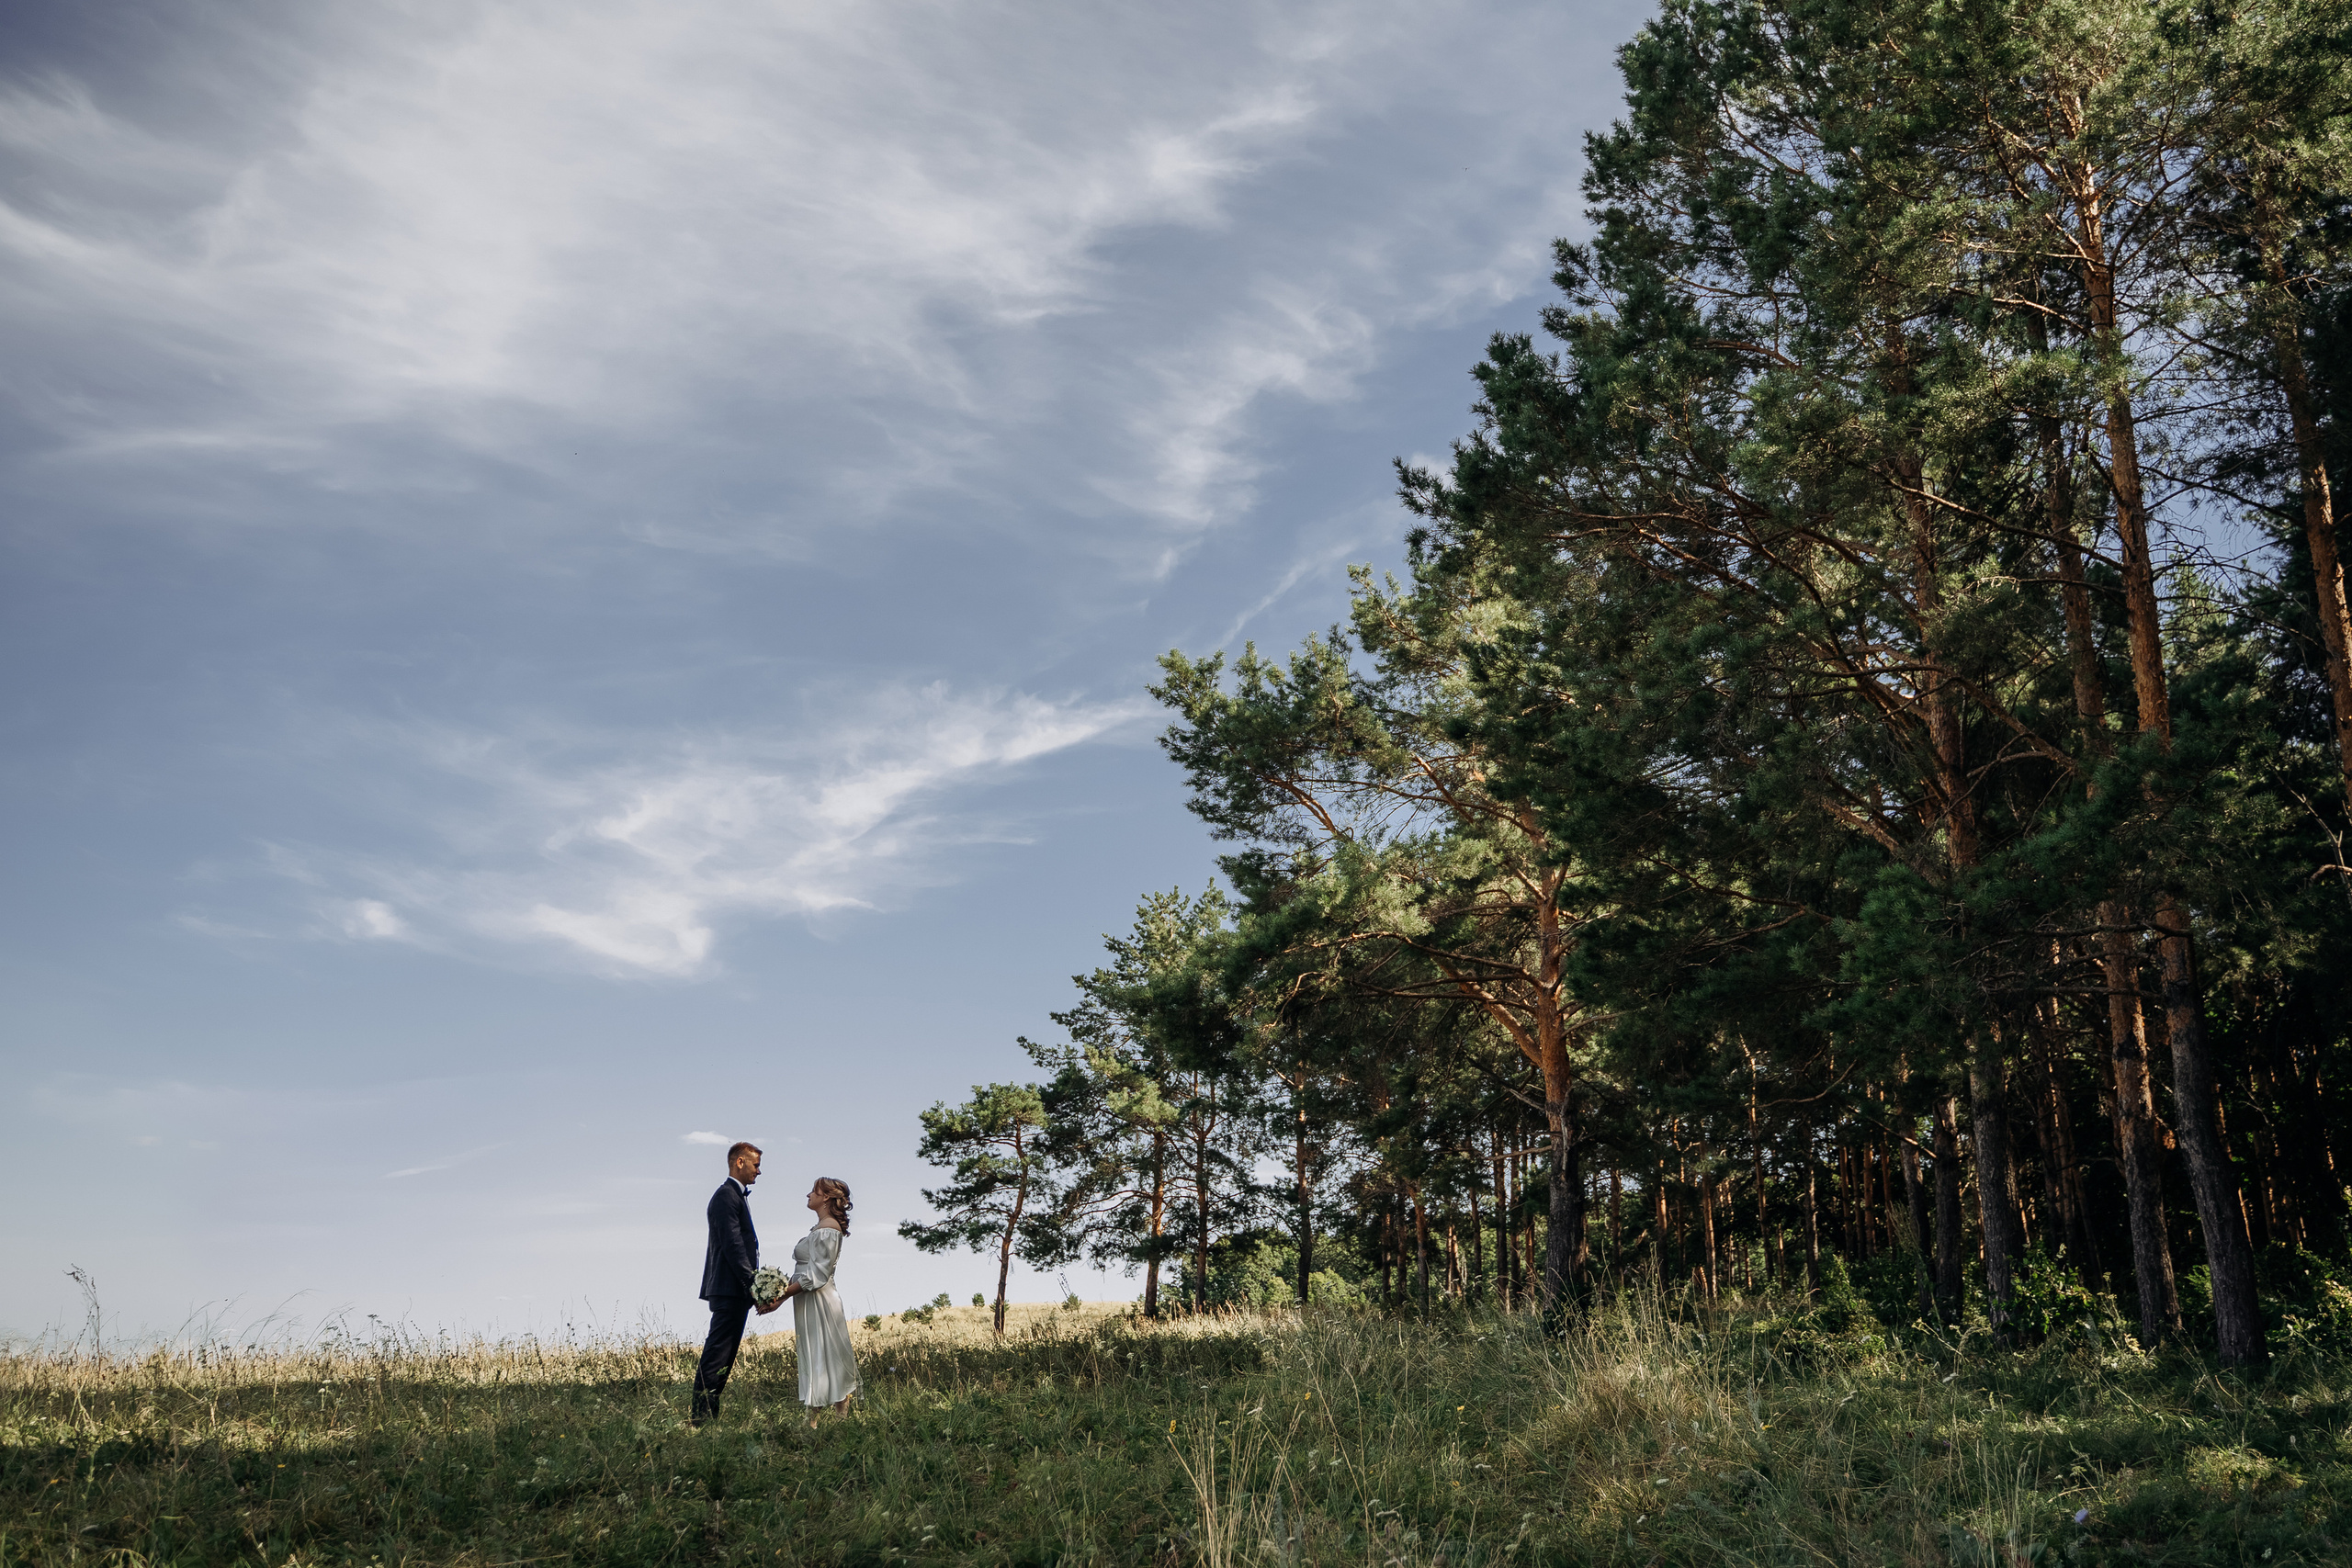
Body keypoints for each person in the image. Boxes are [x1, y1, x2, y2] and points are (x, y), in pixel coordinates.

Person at [690, 1141, 781, 1426]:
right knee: (717, 1354)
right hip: (729, 1290)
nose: (759, 1171)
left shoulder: (735, 1197)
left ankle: (706, 1417)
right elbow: (733, 1247)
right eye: (756, 1165)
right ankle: (701, 1420)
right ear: (739, 1163)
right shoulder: (725, 1197)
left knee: (724, 1357)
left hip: (733, 1290)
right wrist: (753, 1286)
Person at [769, 1176, 861, 1422]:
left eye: (814, 1191)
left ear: (826, 1198)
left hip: (820, 1301)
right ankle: (816, 1419)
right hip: (808, 1299)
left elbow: (816, 1275)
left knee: (825, 1353)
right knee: (817, 1354)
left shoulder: (828, 1229)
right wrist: (778, 1298)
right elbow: (804, 1273)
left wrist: (784, 1293)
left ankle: (828, 1419)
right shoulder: (820, 1228)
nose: (809, 1195)